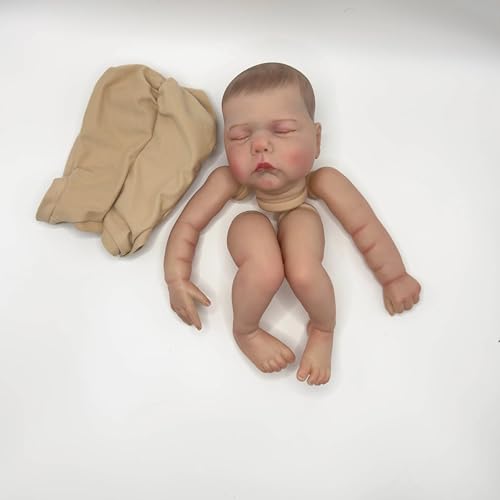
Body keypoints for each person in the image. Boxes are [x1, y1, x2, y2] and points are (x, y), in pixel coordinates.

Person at [163, 62, 421, 386]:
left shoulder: (327, 180)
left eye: (282, 131)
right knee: (257, 248)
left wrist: (394, 277)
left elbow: (365, 228)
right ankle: (246, 331)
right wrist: (176, 279)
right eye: (240, 136)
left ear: (317, 139)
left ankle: (323, 329)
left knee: (304, 266)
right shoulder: (226, 180)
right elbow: (188, 225)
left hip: (300, 215)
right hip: (250, 226)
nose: (259, 145)